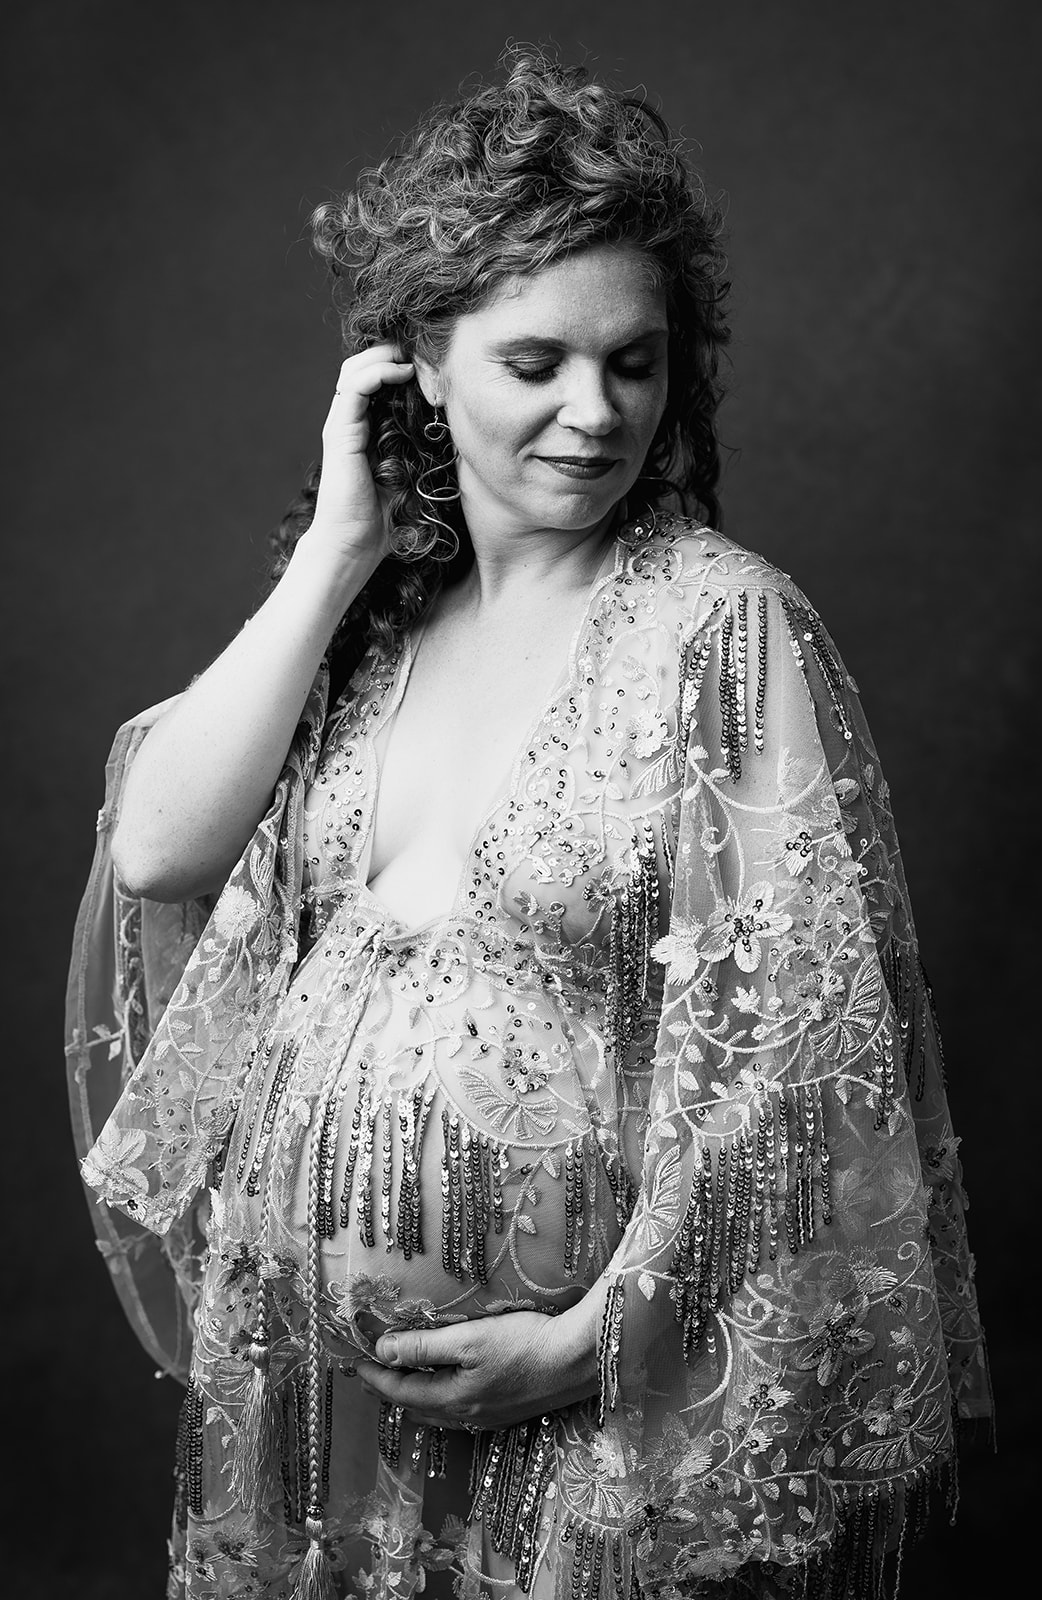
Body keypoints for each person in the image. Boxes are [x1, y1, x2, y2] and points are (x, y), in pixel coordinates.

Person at [66, 49, 990, 1600]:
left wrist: (593, 1346)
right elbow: (156, 848)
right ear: (421, 360)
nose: (594, 412)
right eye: (538, 361)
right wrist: (339, 551)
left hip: (578, 1428)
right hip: (316, 1422)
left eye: (636, 363)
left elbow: (797, 1071)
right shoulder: (377, 634)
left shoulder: (721, 631)